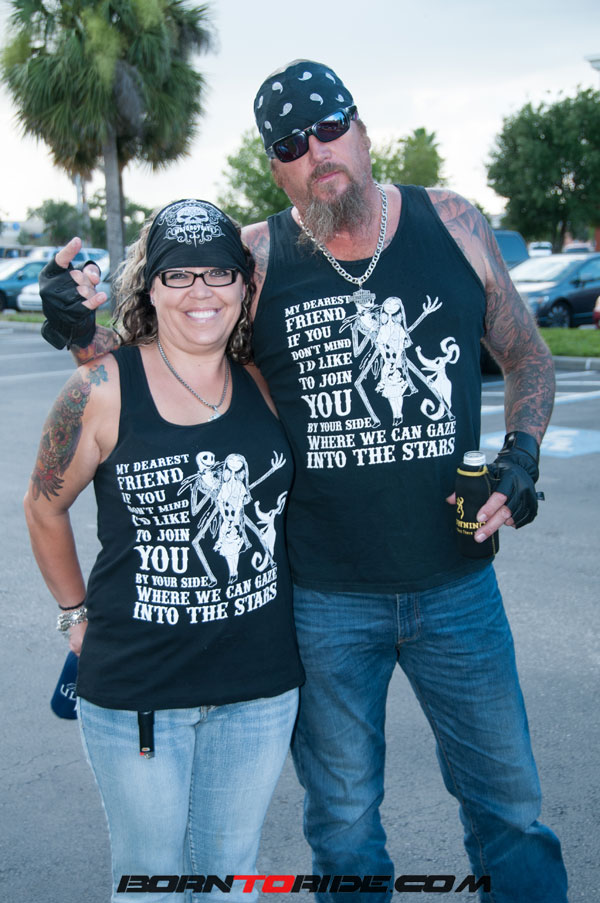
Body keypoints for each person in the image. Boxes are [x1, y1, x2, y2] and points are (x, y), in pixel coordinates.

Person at [38, 61, 568, 903]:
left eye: (328, 128)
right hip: (323, 601)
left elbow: (527, 355)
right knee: (344, 823)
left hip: (459, 584)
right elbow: (169, 364)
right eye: (290, 144)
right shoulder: (255, 260)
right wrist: (78, 327)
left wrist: (523, 454)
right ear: (275, 166)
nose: (316, 151)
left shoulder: (453, 221)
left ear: (361, 129)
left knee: (509, 806)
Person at [25, 199, 304, 903]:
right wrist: (73, 615)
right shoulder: (101, 387)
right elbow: (43, 505)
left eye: (218, 273)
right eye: (178, 275)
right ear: (149, 288)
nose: (200, 291)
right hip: (138, 689)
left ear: (244, 285)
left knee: (231, 876)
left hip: (259, 686)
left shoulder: (265, 382)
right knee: (150, 879)